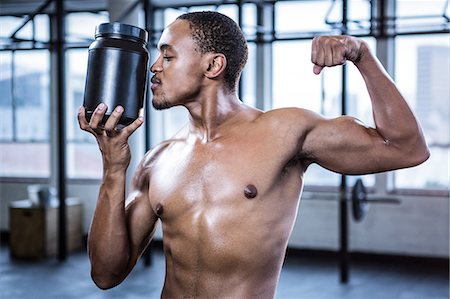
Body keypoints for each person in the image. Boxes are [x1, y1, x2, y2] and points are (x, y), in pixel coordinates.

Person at [78, 11, 429, 299]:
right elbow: (106, 274)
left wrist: (362, 56)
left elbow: (405, 148)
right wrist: (114, 168)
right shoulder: (158, 160)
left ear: (213, 65)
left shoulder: (285, 131)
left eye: (168, 55)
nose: (154, 67)